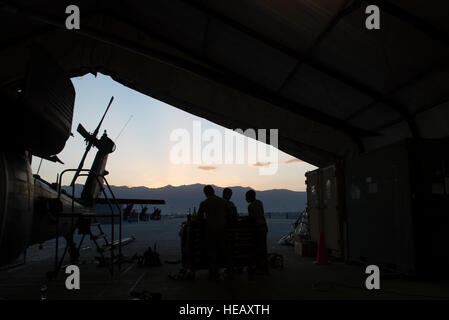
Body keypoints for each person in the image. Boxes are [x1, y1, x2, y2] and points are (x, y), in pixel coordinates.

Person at [197, 185, 227, 279]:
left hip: (211, 230)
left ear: (205, 193)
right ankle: (229, 271)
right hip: (223, 229)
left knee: (212, 252)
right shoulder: (223, 201)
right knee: (224, 250)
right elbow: (230, 214)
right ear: (213, 191)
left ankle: (213, 273)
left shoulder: (204, 203)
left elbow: (199, 218)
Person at [246, 189, 268, 274]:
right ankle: (264, 267)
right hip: (264, 227)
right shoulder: (259, 203)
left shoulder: (251, 206)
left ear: (250, 197)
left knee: (258, 248)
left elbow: (252, 218)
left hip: (258, 229)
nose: (246, 199)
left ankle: (259, 267)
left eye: (246, 197)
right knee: (263, 248)